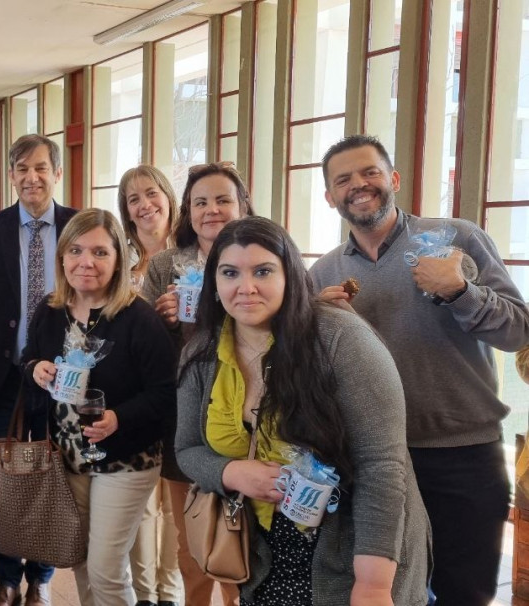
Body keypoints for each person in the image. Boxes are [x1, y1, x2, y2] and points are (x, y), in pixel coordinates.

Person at [310, 134, 529, 605]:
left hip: (464, 454)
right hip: (373, 463)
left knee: (463, 592)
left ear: (393, 178)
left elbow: (517, 332)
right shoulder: (323, 275)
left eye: (369, 172)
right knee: (387, 593)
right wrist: (316, 327)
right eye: (343, 179)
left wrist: (460, 291)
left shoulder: (458, 239)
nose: (358, 185)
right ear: (330, 197)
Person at [178, 216, 431, 604]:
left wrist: (373, 584)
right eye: (230, 273)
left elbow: (381, 464)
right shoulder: (201, 355)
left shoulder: (341, 340)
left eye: (263, 271)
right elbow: (187, 450)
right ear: (214, 283)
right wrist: (231, 472)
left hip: (354, 546)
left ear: (290, 275)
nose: (245, 288)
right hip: (261, 552)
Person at [25, 209, 175, 606]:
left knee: (106, 568)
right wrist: (35, 368)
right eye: (75, 250)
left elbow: (165, 392)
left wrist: (118, 418)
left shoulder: (138, 318)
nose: (85, 262)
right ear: (62, 257)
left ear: (117, 259)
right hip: (69, 456)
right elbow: (29, 359)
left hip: (126, 457)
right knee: (81, 558)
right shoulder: (50, 310)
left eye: (99, 252)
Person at [0, 133, 77, 606]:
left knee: (53, 474)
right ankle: (7, 576)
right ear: (10, 176)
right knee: (2, 481)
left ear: (57, 173)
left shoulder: (77, 225)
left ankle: (41, 578)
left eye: (40, 168)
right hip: (2, 373)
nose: (32, 177)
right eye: (21, 169)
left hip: (61, 376)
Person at [141, 161, 254, 606]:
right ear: (186, 211)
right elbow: (142, 343)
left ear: (242, 205)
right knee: (192, 537)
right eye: (200, 202)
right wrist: (160, 320)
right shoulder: (166, 264)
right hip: (184, 414)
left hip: (249, 413)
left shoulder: (263, 256)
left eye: (223, 200)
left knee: (247, 536)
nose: (212, 210)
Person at [117, 164, 181, 606]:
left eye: (151, 193)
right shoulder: (116, 257)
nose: (144, 205)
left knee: (177, 501)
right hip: (134, 392)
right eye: (133, 198)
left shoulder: (195, 253)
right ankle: (145, 593)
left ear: (169, 196)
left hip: (184, 391)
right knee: (141, 500)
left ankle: (171, 592)